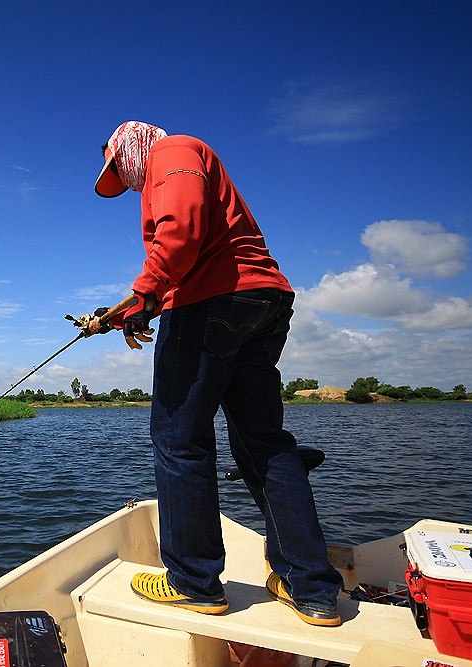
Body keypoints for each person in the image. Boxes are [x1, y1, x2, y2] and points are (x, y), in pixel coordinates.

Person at [89, 121, 343, 626]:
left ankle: (192, 582)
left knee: (180, 441)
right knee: (265, 442)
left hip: (214, 304)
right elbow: (200, 254)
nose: (129, 182)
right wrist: (134, 307)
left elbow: (181, 228)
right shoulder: (190, 159)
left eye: (120, 168)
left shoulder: (172, 150)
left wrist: (146, 292)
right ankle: (311, 588)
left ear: (131, 146)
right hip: (262, 302)